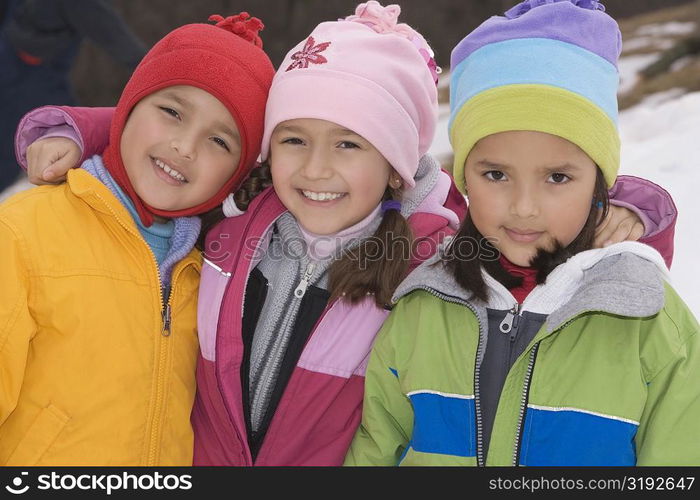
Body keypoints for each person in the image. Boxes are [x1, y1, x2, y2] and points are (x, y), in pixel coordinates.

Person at [12, 1, 677, 466]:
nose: (318, 167)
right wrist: (76, 127)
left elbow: (533, 222)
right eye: (294, 140)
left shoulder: (433, 245)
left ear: (394, 165)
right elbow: (168, 147)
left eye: (351, 144)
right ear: (268, 155)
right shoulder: (230, 222)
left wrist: (637, 206)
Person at [345, 0, 697, 466]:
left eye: (557, 177)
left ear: (599, 185)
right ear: (465, 176)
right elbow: (375, 449)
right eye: (496, 175)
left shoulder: (650, 322)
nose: (524, 207)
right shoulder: (422, 307)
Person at [0, 13, 275, 465]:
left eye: (220, 142)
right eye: (171, 112)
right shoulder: (25, 234)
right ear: (127, 108)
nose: (185, 147)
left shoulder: (219, 270)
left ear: (237, 174)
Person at [0, 0, 147, 194]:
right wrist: (153, 67)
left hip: (25, 67)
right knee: (64, 135)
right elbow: (112, 33)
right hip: (29, 76)